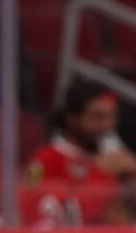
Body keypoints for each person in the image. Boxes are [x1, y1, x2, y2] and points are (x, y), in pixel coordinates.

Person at [23, 82, 136, 226]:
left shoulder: (119, 161)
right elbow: (27, 196)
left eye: (111, 117)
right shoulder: (44, 159)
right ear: (72, 118)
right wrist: (99, 173)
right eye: (98, 116)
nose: (107, 125)